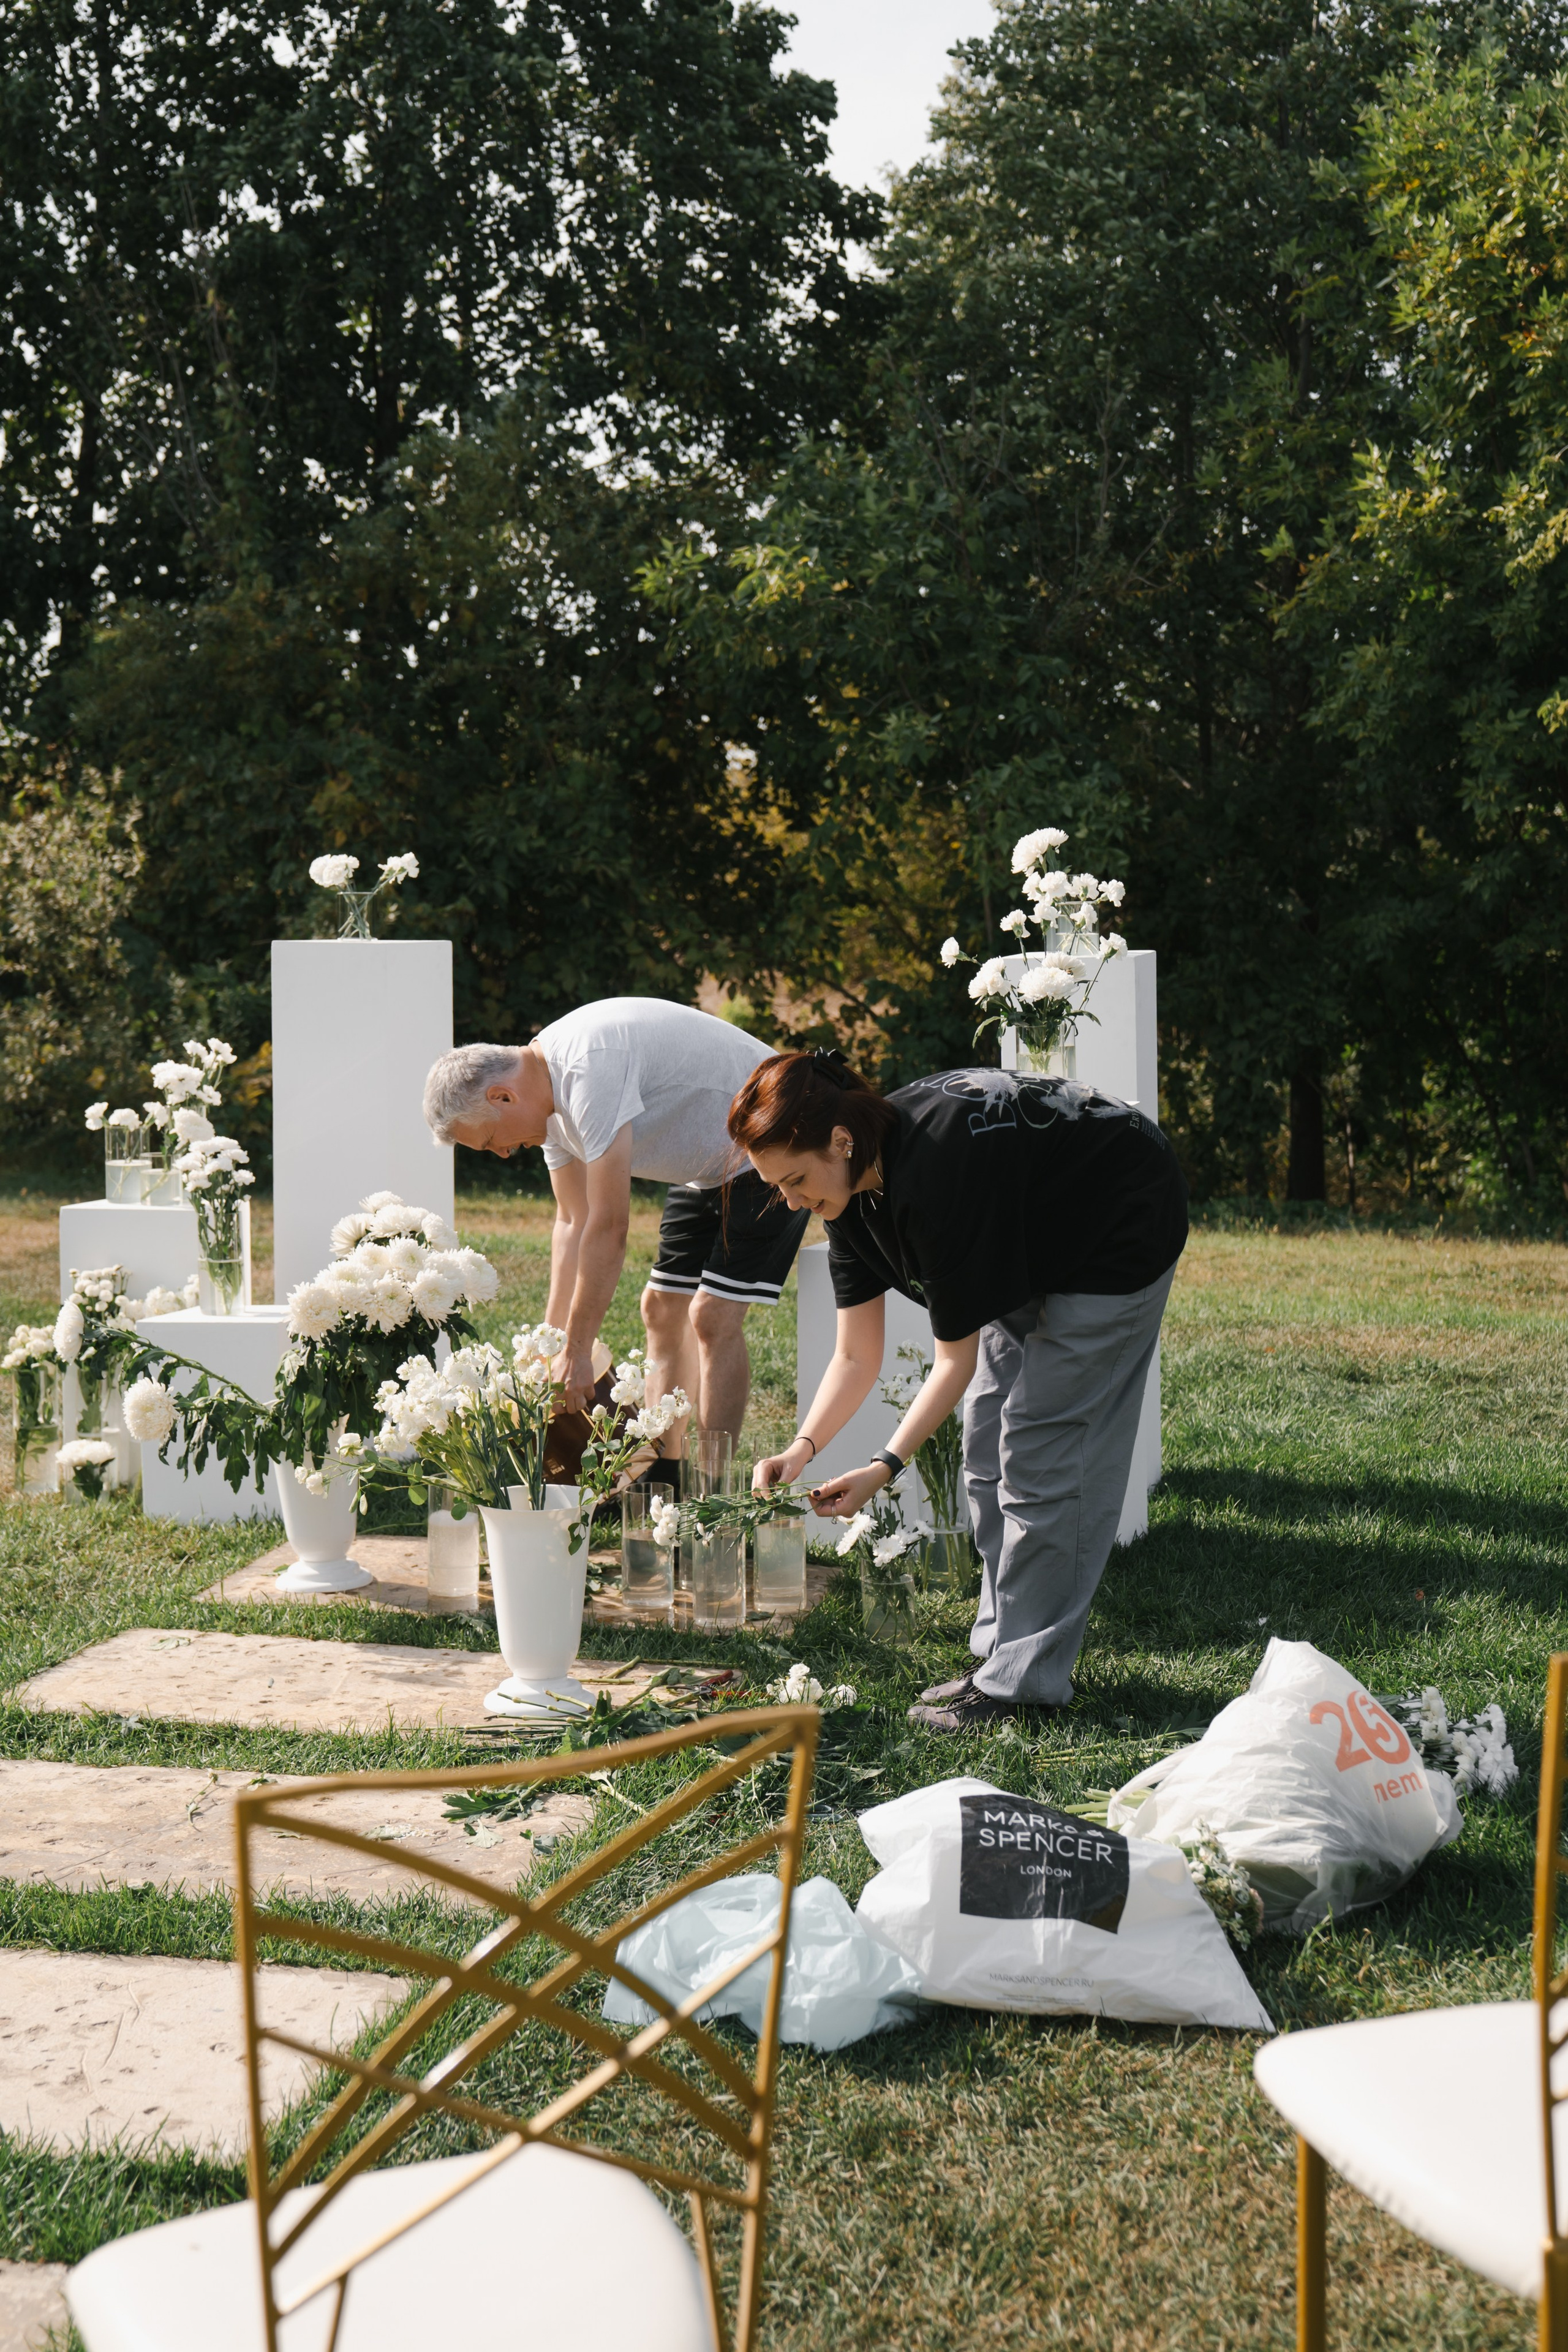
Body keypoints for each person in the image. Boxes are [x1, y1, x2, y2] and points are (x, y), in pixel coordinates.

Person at [742, 1050, 1188, 1733]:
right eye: (779, 1188)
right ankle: (999, 1662)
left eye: (796, 1180)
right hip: (1033, 1230)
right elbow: (856, 1354)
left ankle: (1023, 1689)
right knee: (986, 1440)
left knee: (1044, 1453)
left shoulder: (934, 1179)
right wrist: (801, 1449)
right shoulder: (849, 1200)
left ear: (841, 1140)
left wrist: (882, 1467)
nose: (793, 1202)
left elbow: (954, 1361)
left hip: (1119, 1218)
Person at [421, 1000, 808, 1443]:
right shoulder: (547, 1100)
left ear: (502, 1096)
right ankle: (665, 1470)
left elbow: (609, 1227)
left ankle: (712, 1482)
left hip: (779, 1140)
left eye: (491, 1139)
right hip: (705, 1165)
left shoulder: (586, 1070)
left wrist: (577, 1352)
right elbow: (573, 1221)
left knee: (712, 1315)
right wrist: (551, 1347)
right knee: (660, 1309)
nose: (503, 1154)